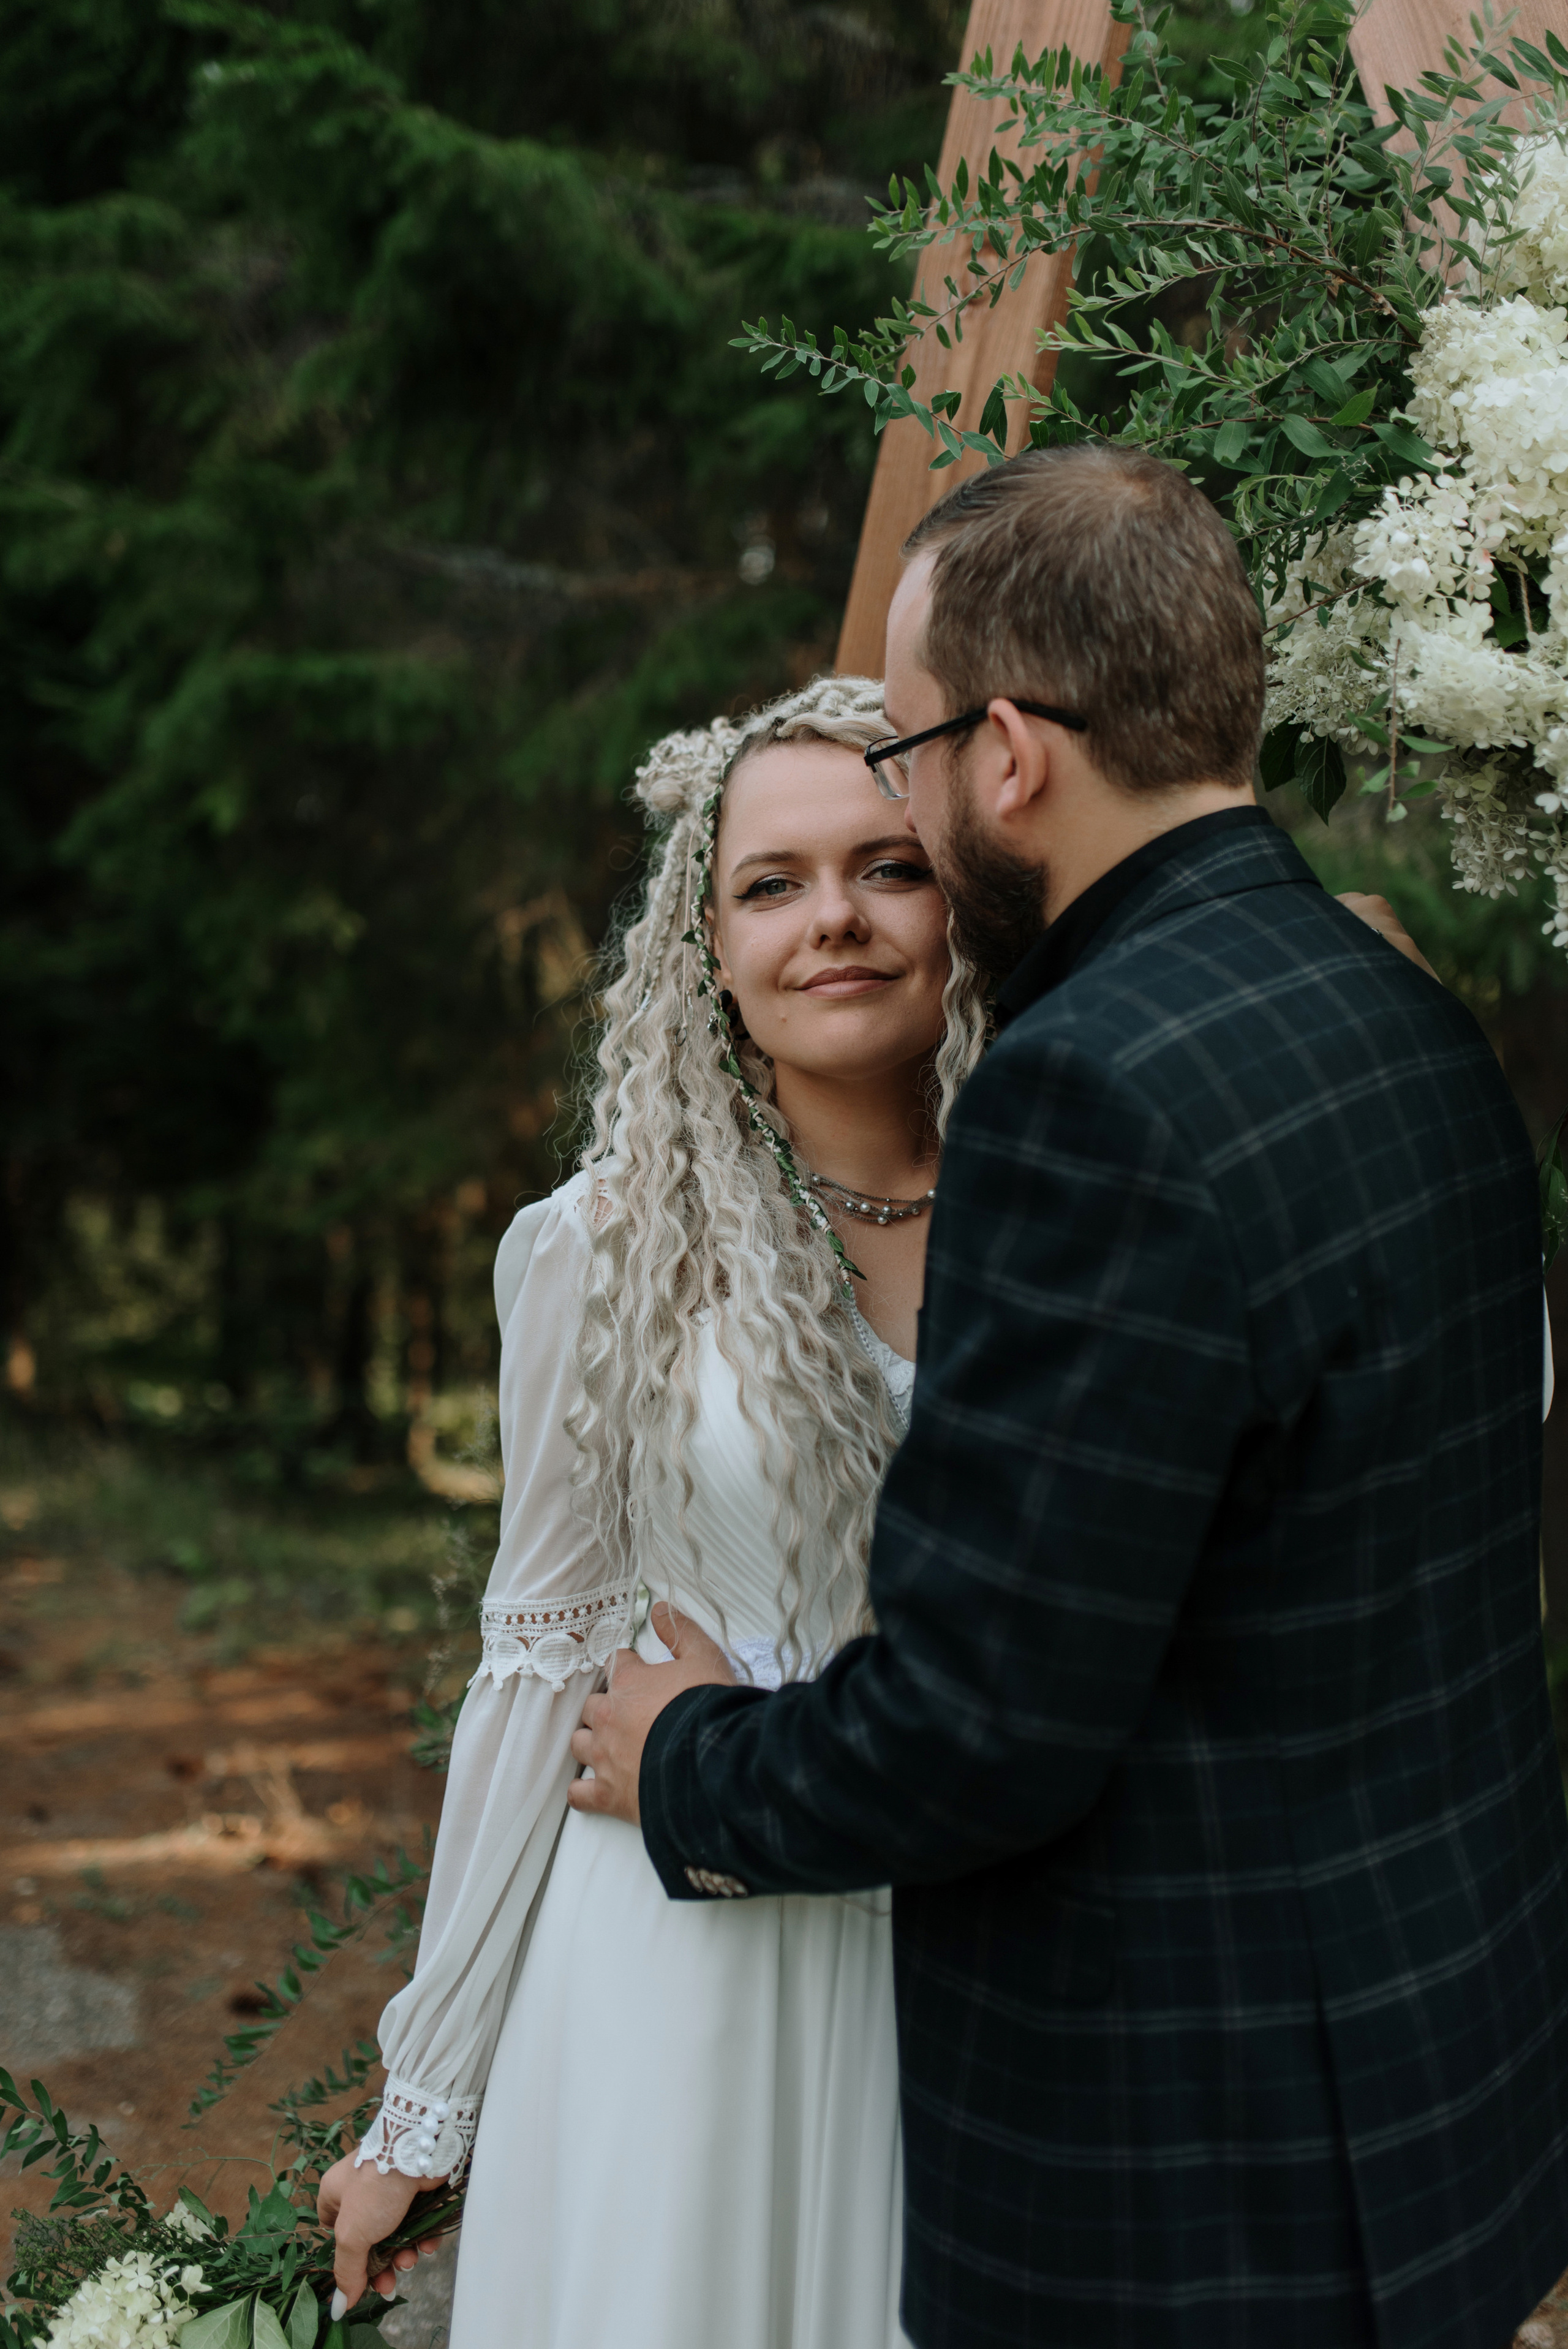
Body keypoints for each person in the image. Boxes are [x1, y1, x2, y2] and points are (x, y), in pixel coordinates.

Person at [573, 445, 1568, 2349]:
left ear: (1010, 756)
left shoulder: (1082, 1089)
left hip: (1193, 2180)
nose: (907, 812)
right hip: (1446, 2098)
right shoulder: (1405, 1015)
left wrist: (688, 1757)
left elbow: (981, 1721)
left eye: (907, 761)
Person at [315, 675, 992, 2349]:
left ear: (964, 902)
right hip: (676, 1964)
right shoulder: (606, 1248)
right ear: (708, 945)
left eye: (888, 868)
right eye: (772, 884)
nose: (833, 919)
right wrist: (427, 2103)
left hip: (978, 1970)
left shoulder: (1067, 1201)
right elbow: (537, 1665)